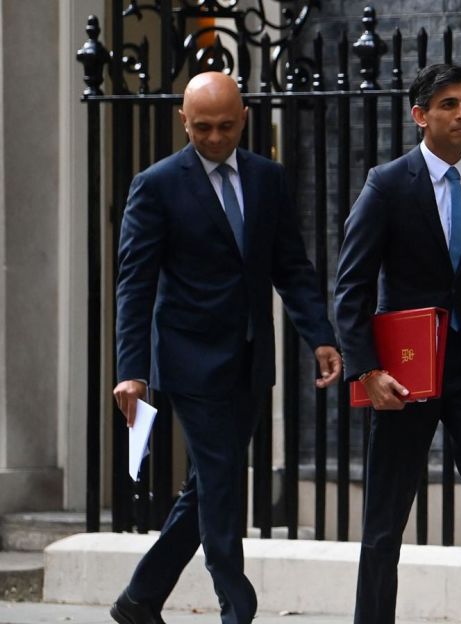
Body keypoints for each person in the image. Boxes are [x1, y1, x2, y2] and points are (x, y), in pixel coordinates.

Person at [111, 71, 342, 624]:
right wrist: (132, 371)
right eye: (202, 128)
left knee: (209, 483)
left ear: (244, 117)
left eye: (225, 126)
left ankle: (139, 600)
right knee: (222, 483)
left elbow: (291, 266)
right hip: (190, 362)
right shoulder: (157, 184)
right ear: (182, 122)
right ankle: (237, 606)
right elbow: (135, 282)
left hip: (249, 359)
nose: (215, 139)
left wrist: (321, 337)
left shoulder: (268, 178)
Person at [334, 63, 461, 624]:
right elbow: (350, 288)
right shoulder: (387, 183)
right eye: (448, 104)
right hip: (406, 375)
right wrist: (366, 370)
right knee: (386, 513)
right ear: (420, 116)